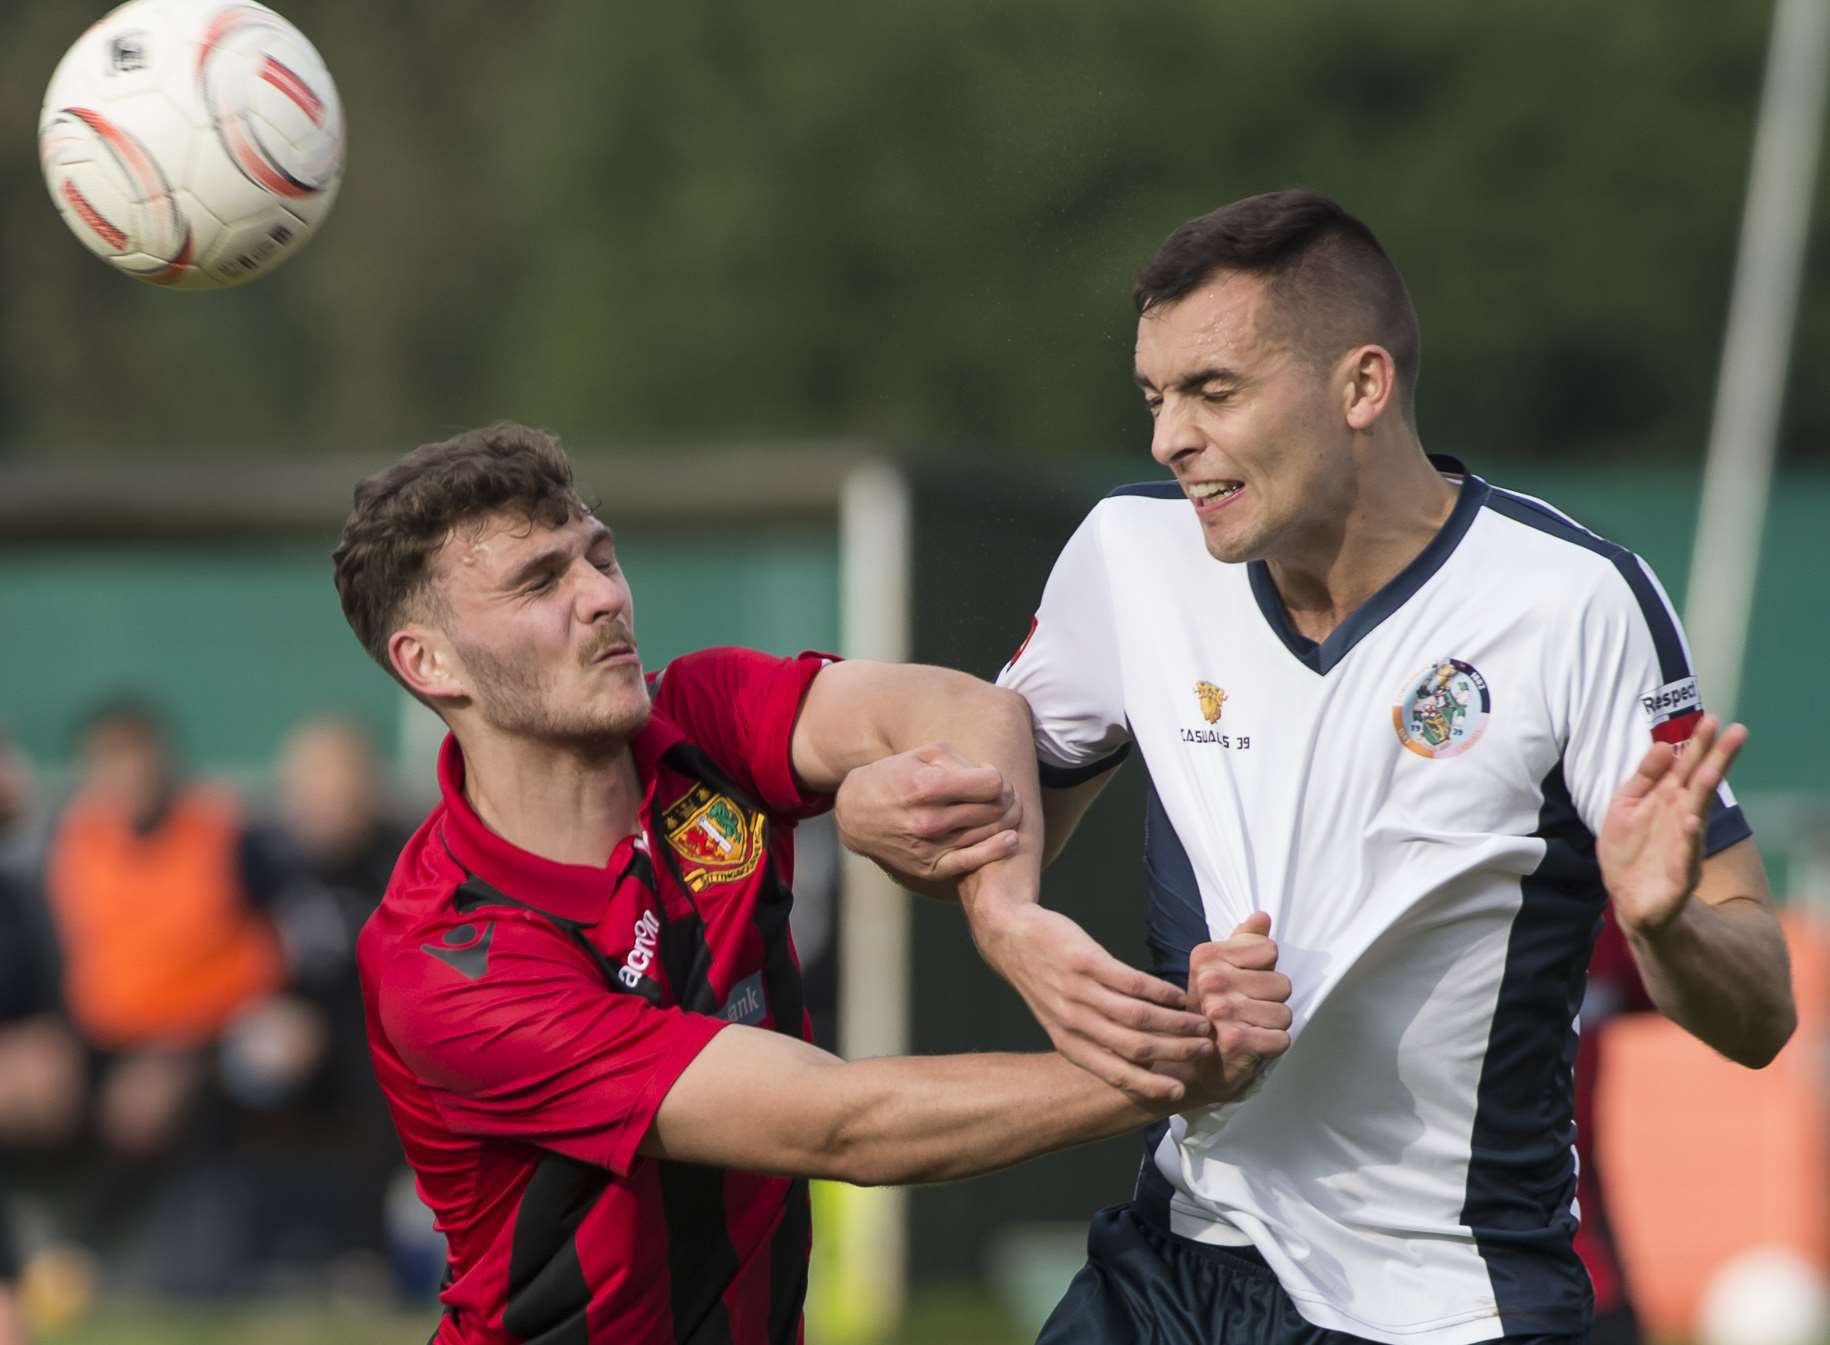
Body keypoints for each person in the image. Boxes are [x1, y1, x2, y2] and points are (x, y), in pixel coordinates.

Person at [843, 191, 1796, 1344]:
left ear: (1362, 386)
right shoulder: (1130, 556)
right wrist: (946, 866)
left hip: (1450, 1304)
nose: (1167, 439)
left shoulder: (1573, 602)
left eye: (1214, 391)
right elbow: (988, 806)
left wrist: (1666, 925)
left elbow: (1762, 1015)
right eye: (1154, 397)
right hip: (1179, 1263)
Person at [331, 423, 1237, 1345]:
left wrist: (1002, 913)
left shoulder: (695, 712)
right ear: (428, 663)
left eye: (599, 556)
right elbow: (843, 1125)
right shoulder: (447, 962)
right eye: (540, 581)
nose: (602, 596)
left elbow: (971, 709)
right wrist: (1181, 1067)